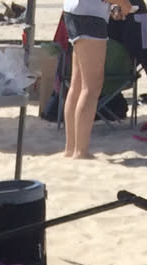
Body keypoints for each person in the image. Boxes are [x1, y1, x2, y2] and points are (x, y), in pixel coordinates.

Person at [60, 0, 114, 158]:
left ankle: (71, 148)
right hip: (90, 15)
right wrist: (125, 6)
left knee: (77, 84)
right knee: (91, 87)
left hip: (73, 10)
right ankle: (80, 151)